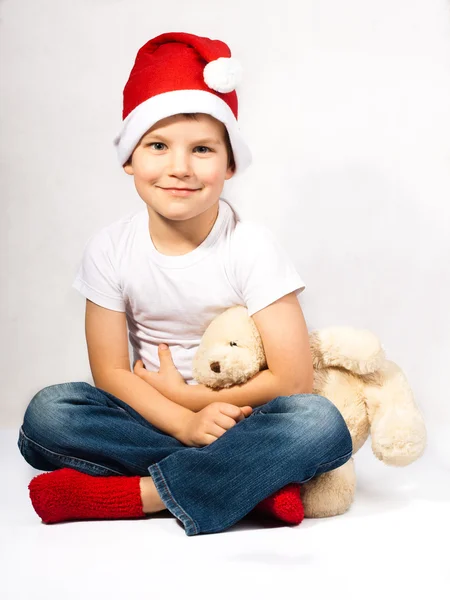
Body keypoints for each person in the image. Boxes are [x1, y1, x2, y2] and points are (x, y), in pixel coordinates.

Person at [17, 32, 353, 536]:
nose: (180, 168)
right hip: (148, 414)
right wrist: (181, 422)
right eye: (157, 146)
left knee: (318, 422)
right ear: (130, 159)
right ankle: (252, 483)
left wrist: (194, 403)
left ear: (230, 164)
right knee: (48, 414)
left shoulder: (251, 246)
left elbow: (293, 380)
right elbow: (110, 372)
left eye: (201, 149)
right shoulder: (110, 248)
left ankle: (144, 496)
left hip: (244, 417)